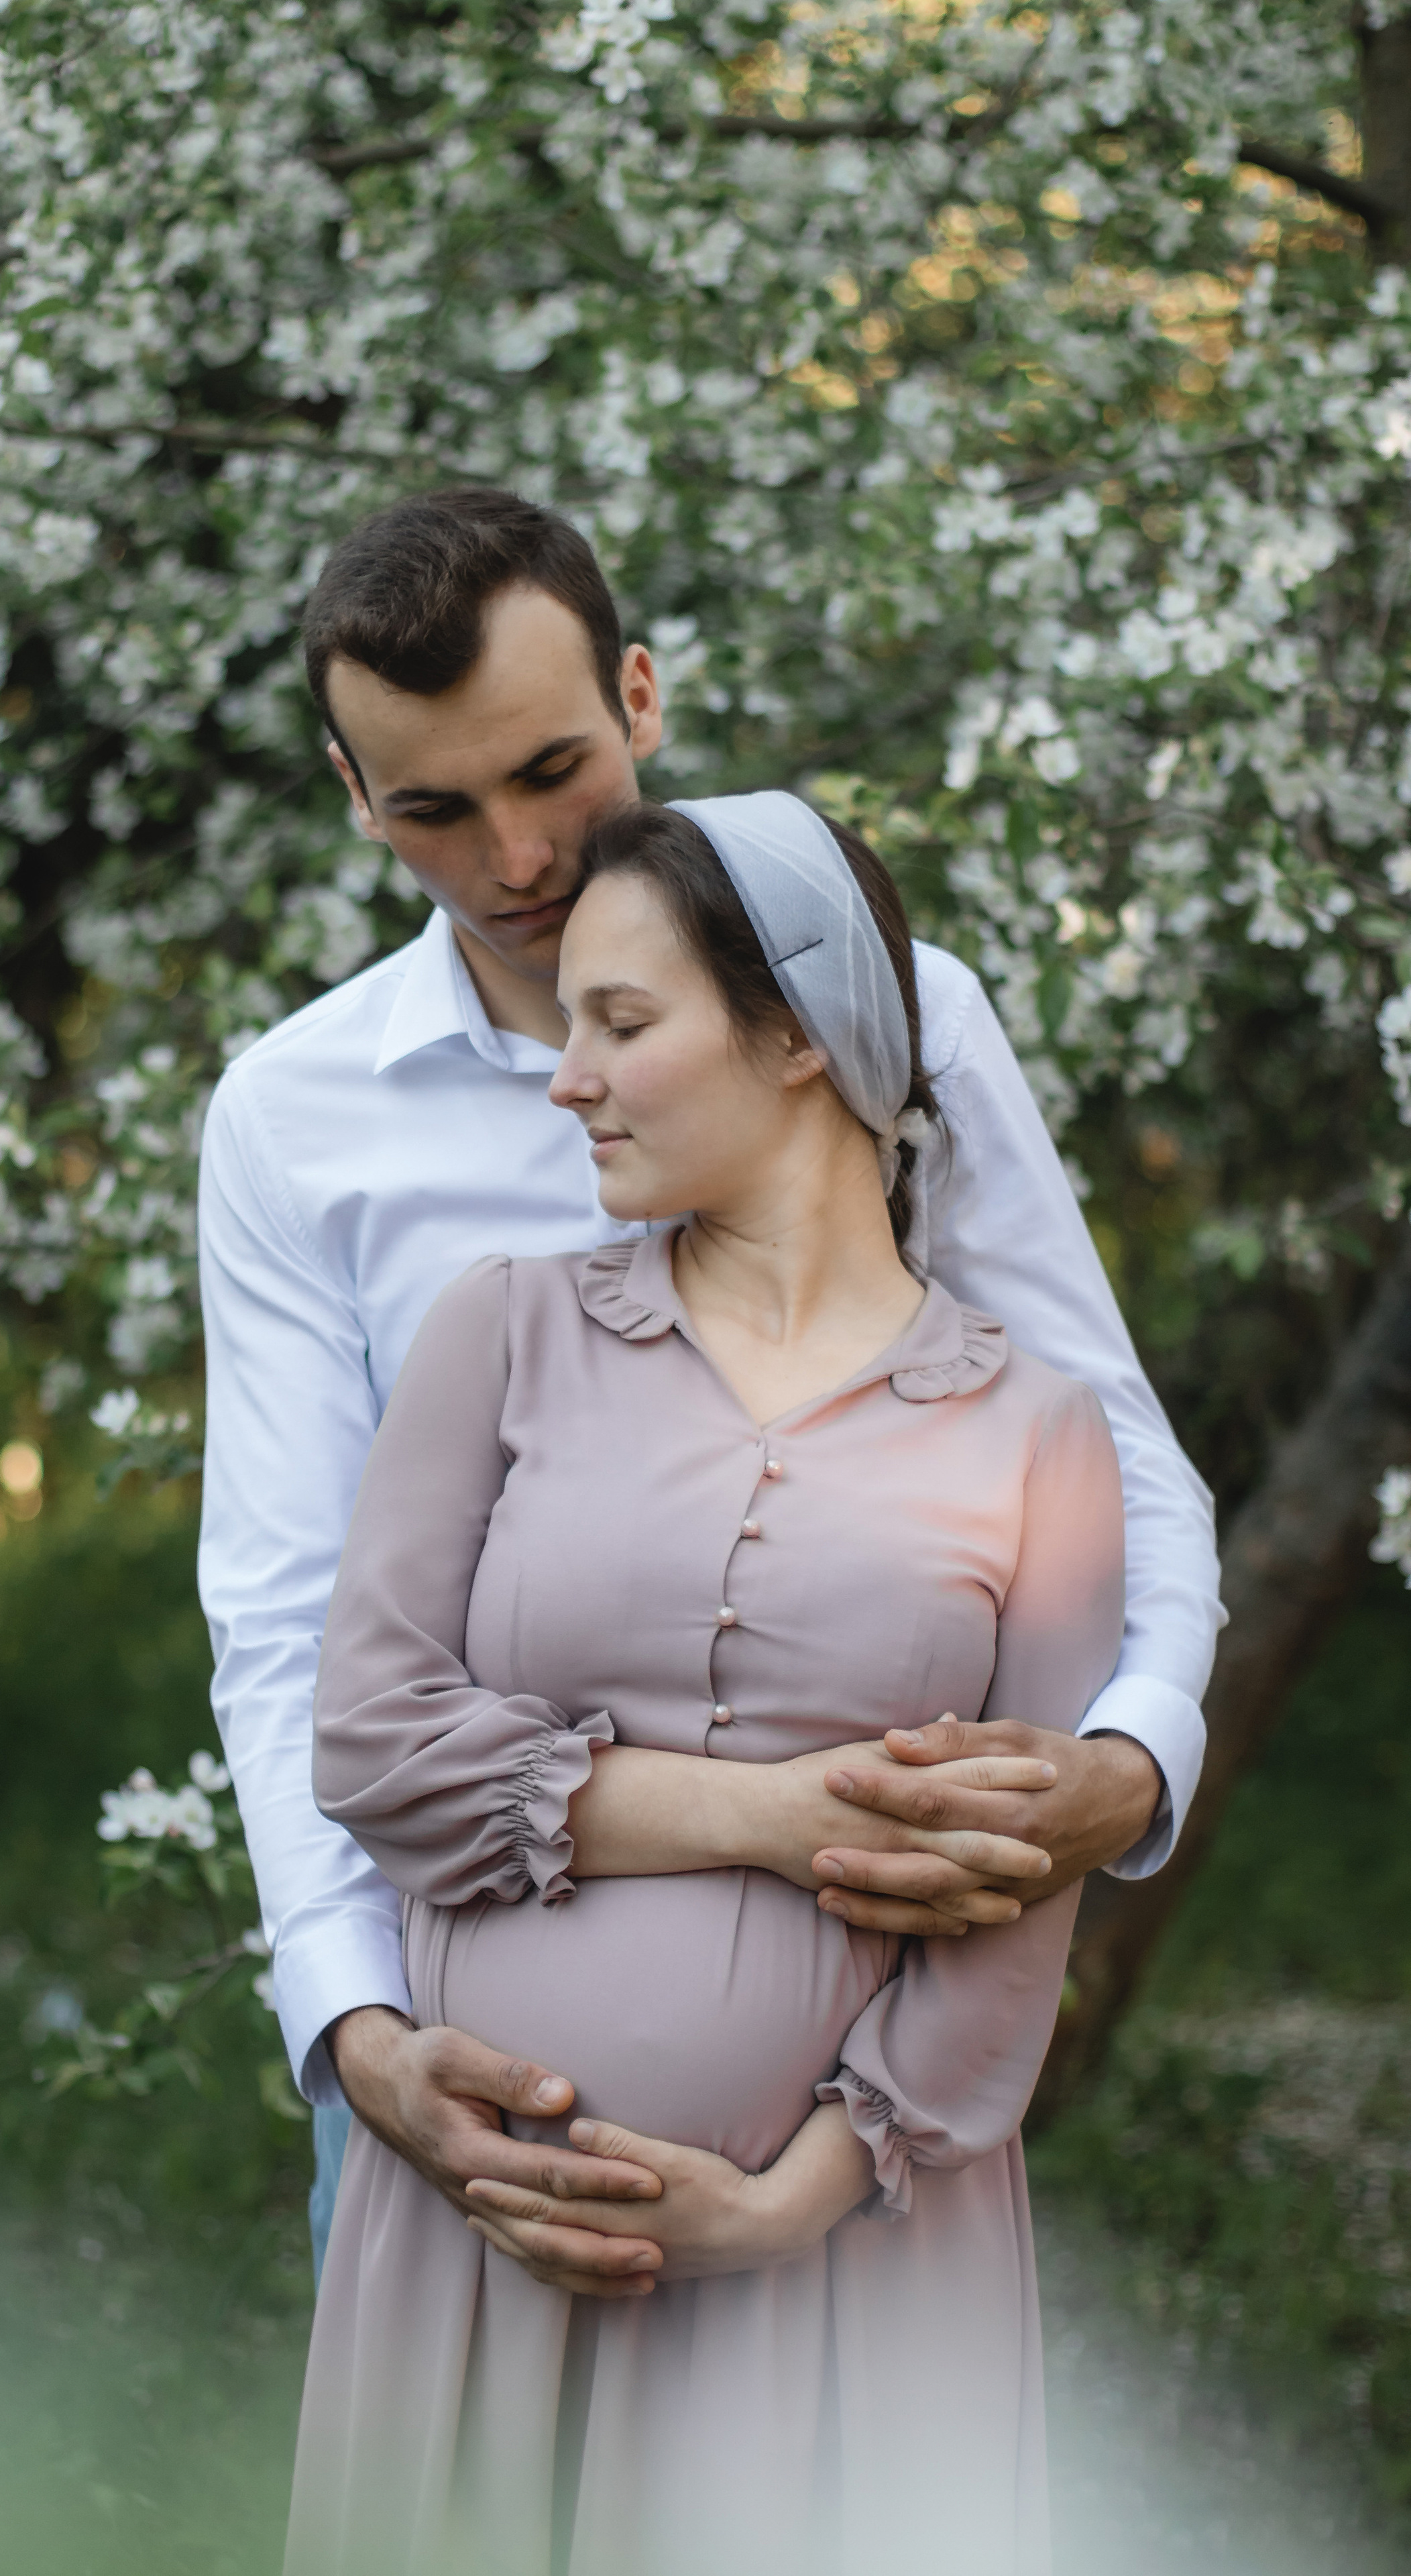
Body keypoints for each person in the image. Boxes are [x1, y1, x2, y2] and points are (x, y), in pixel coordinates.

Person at [195, 487, 1221, 2300]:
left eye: (552, 770)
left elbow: (1100, 1442)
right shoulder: (297, 1120)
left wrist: (1125, 1764)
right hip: (451, 2085)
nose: (515, 853)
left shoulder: (906, 1018)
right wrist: (357, 2040)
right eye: (433, 811)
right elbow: (294, 1634)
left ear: (644, 699)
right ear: (358, 802)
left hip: (860, 2133)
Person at [282, 791, 1125, 2573]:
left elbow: (1012, 1917)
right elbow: (369, 1739)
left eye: (623, 1023)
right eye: (563, 1023)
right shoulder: (499, 1334)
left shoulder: (1035, 1435)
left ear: (801, 1039)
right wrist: (769, 1815)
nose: (567, 1077)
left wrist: (774, 2208)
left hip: (850, 2269)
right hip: (490, 2241)